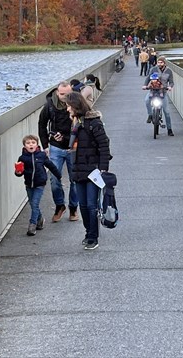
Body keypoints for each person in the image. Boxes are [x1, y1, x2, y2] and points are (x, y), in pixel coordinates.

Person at [65, 91, 111, 250]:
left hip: (93, 170)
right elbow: (72, 145)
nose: (67, 109)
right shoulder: (75, 123)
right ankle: (88, 232)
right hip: (78, 170)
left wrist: (103, 169)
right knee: (83, 205)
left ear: (76, 106)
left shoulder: (94, 123)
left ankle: (93, 236)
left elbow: (104, 146)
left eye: (69, 106)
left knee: (92, 205)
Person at [37, 81, 79, 222]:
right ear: (57, 92)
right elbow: (42, 124)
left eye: (68, 94)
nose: (65, 97)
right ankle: (60, 206)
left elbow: (83, 124)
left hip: (73, 147)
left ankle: (73, 208)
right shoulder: (49, 105)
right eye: (62, 94)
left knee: (75, 180)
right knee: (55, 179)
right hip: (55, 147)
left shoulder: (76, 103)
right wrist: (45, 145)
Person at [15, 135, 62, 236]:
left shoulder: (41, 155)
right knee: (32, 204)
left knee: (35, 204)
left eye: (33, 143)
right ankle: (40, 219)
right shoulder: (22, 158)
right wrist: (18, 172)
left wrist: (58, 175)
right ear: (24, 146)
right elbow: (20, 172)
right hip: (28, 184)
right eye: (28, 143)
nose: (31, 145)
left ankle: (32, 224)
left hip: (39, 184)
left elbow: (51, 165)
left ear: (37, 145)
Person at [146, 56, 175, 136]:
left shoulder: (169, 71)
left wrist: (170, 87)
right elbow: (148, 78)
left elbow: (171, 82)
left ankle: (169, 129)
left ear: (164, 63)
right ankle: (150, 115)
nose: (159, 64)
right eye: (158, 62)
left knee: (167, 112)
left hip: (163, 92)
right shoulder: (153, 69)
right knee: (147, 101)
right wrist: (145, 85)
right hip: (153, 90)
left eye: (161, 62)